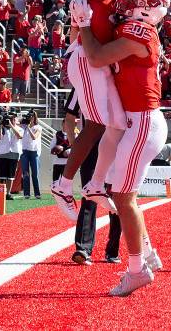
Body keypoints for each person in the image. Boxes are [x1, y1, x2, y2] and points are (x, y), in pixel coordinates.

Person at [70, 0, 169, 296]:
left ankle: (137, 269)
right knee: (125, 197)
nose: (126, 2)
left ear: (148, 8)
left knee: (124, 198)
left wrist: (85, 23)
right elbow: (87, 47)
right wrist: (83, 24)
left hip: (142, 122)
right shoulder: (131, 29)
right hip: (135, 122)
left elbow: (97, 57)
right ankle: (148, 255)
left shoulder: (142, 33)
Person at [51, 0, 162, 221]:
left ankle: (96, 184)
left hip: (91, 56)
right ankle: (63, 185)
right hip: (86, 60)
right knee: (98, 125)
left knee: (119, 123)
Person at [63, 87, 122, 266]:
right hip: (96, 148)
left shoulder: (114, 81)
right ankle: (85, 249)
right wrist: (76, 146)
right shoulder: (82, 85)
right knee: (92, 197)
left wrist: (76, 146)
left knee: (115, 196)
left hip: (110, 146)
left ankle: (109, 249)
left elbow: (69, 118)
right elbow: (69, 118)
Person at [0, 112, 23, 200]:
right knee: (0, 175)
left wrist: (11, 126)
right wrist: (1, 125)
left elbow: (19, 136)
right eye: (10, 119)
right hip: (3, 153)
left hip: (14, 153)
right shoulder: (2, 128)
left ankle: (8, 193)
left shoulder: (19, 128)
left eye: (13, 119)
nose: (11, 121)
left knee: (10, 176)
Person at [20, 110, 42, 199]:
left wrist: (28, 127)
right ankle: (26, 193)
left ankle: (37, 193)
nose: (30, 118)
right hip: (24, 151)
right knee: (25, 173)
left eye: (32, 117)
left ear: (35, 117)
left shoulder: (38, 127)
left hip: (34, 152)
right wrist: (23, 123)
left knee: (35, 174)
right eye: (29, 117)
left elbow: (34, 137)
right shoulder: (23, 126)